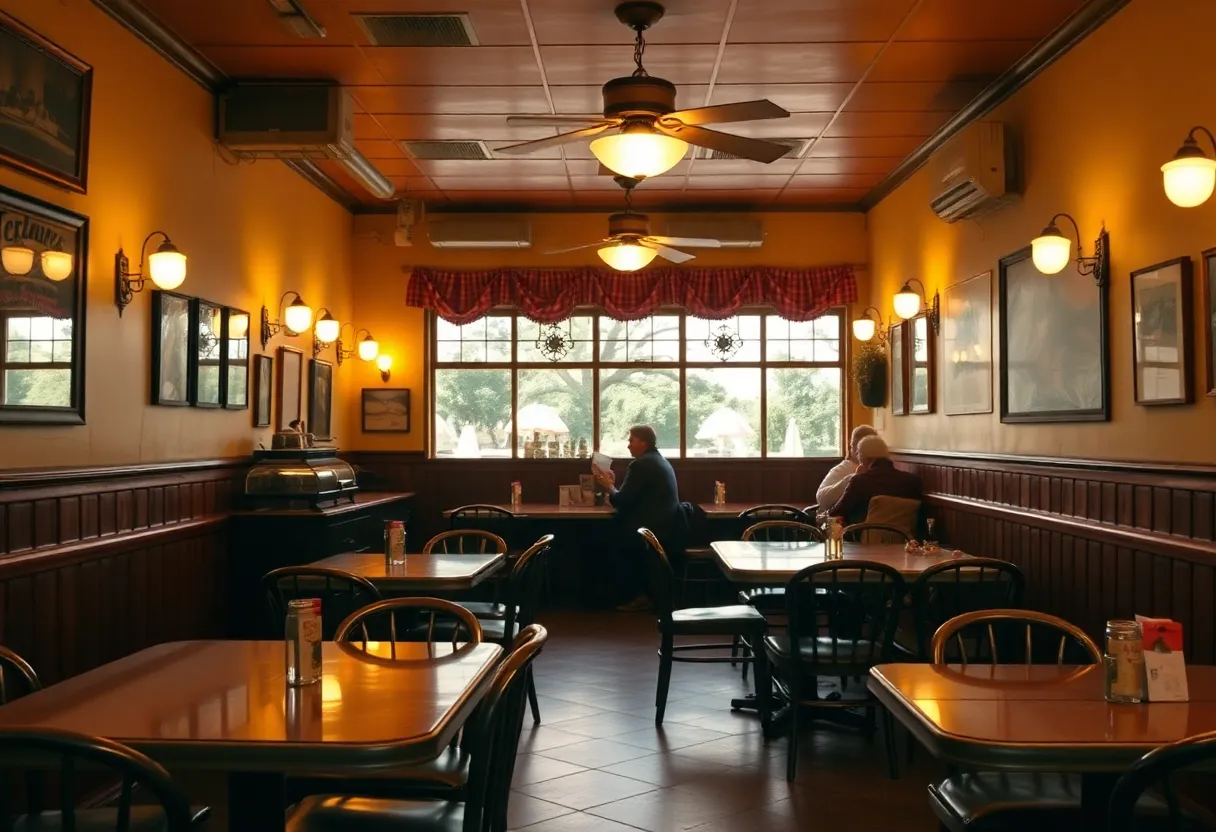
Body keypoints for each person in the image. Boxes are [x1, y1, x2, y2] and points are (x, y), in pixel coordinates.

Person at [593, 425, 685, 611]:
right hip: (666, 527)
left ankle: (618, 598)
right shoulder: (658, 460)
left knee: (600, 540)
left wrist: (608, 486)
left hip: (649, 531)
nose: (628, 446)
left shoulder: (641, 464)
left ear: (644, 442)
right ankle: (643, 595)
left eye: (631, 441)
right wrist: (613, 486)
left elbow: (622, 500)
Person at [826, 435, 922, 526]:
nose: (856, 455)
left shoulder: (859, 481)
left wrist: (823, 514)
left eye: (858, 452)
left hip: (861, 539)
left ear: (863, 457)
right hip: (904, 538)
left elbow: (836, 512)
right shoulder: (912, 481)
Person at [815, 424, 878, 510]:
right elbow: (821, 498)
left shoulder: (880, 470)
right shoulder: (843, 469)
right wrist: (853, 478)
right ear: (854, 448)